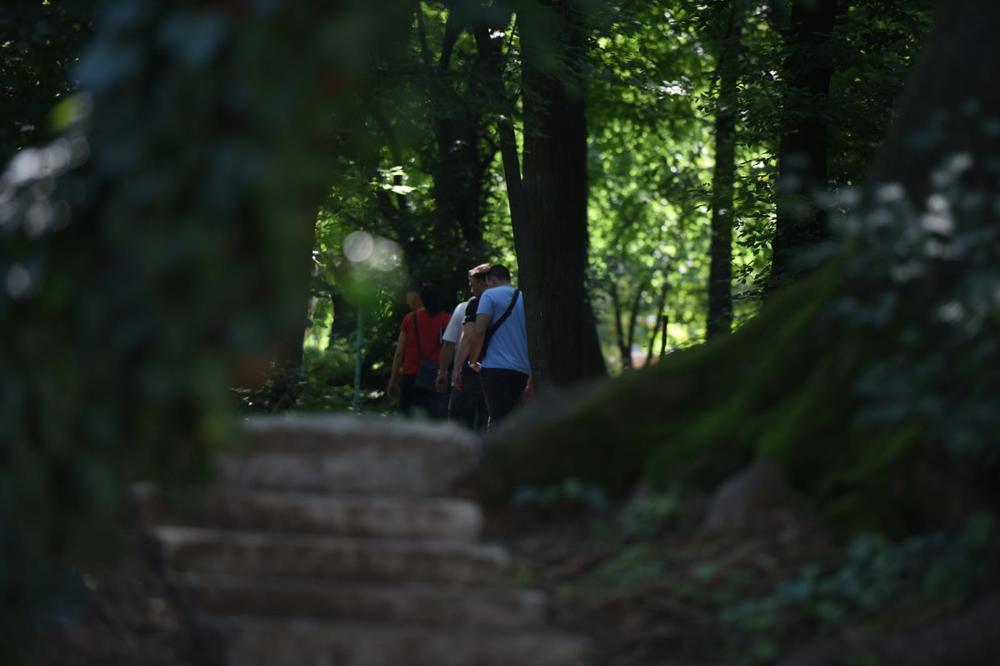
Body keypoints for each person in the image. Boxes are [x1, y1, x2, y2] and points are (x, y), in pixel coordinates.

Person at [468, 265, 530, 428]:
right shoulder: (525, 298)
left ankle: (499, 452)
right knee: (515, 421)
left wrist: (473, 360)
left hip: (495, 368)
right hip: (522, 370)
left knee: (499, 421)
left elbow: (479, 331)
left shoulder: (489, 295)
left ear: (492, 280)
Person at [439, 263, 490, 429]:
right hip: (496, 371)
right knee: (488, 422)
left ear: (483, 282)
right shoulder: (510, 302)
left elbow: (465, 337)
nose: (471, 287)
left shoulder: (471, 304)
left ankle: (458, 453)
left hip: (471, 371)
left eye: (472, 283)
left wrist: (456, 369)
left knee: (459, 422)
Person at [387, 283, 451, 416]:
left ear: (421, 299)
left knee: (408, 419)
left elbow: (399, 353)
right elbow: (450, 347)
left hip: (411, 377)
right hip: (436, 376)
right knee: (434, 418)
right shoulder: (446, 319)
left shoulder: (410, 318)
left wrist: (393, 380)